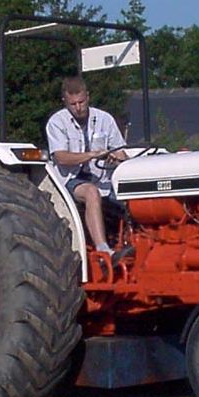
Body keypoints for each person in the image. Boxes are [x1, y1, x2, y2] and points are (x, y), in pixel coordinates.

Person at [46, 76, 132, 264]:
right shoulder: (57, 122)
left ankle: (132, 242)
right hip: (70, 179)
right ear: (65, 102)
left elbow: (121, 152)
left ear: (88, 97)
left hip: (102, 178)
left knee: (131, 196)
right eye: (73, 104)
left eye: (81, 102)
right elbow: (61, 157)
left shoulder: (104, 119)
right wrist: (91, 155)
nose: (78, 107)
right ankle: (103, 250)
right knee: (91, 192)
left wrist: (115, 156)